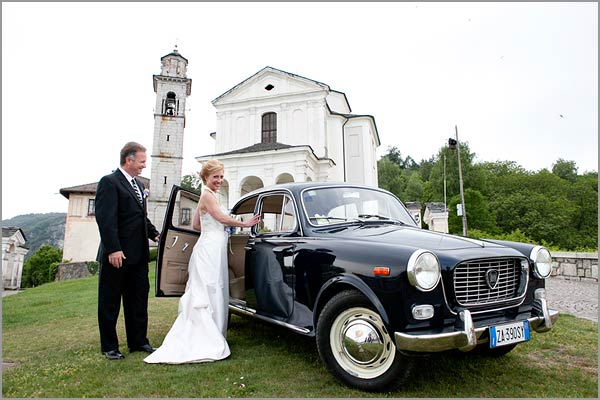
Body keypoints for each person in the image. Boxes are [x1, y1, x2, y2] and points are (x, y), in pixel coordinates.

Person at [144, 159, 260, 364]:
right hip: (210, 249)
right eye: (215, 176)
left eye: (221, 176)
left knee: (211, 287)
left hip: (209, 245)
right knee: (209, 288)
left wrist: (214, 229)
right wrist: (243, 223)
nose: (219, 180)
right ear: (206, 177)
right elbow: (219, 217)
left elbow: (197, 225)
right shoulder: (207, 195)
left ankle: (212, 331)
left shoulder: (207, 195)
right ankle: (206, 338)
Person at [95, 141, 160, 360]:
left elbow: (140, 217)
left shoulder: (139, 186)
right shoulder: (109, 182)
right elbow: (106, 219)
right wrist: (113, 248)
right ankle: (110, 347)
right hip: (118, 255)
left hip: (139, 255)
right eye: (141, 161)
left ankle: (139, 341)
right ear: (128, 160)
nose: (144, 165)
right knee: (110, 302)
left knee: (138, 301)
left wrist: (155, 234)